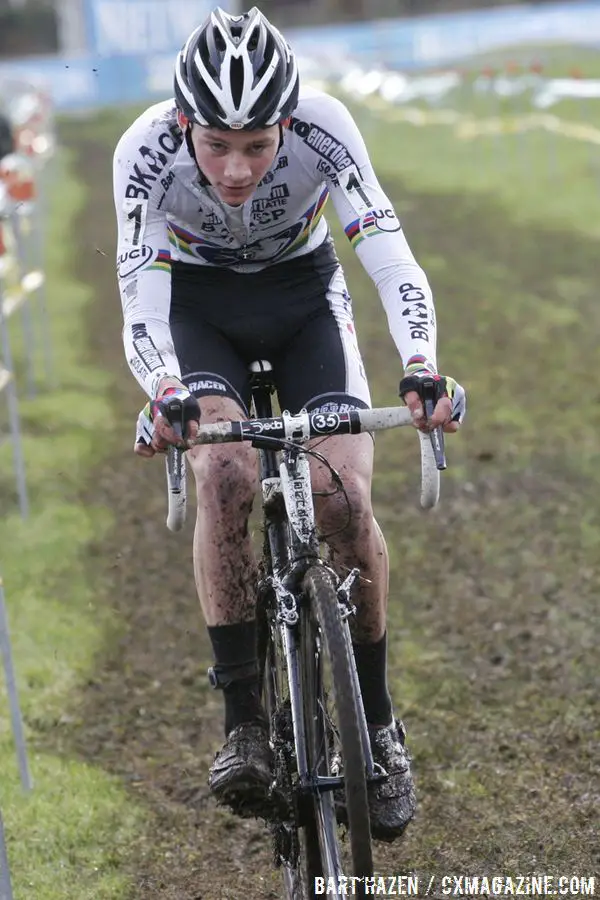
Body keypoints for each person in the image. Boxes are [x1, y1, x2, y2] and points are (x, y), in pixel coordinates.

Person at [113, 6, 465, 842]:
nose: (236, 170)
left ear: (289, 123)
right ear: (182, 122)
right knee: (226, 473)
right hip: (198, 313)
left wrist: (420, 364)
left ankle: (376, 728)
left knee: (340, 498)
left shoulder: (325, 128)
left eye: (259, 146)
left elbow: (385, 246)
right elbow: (140, 289)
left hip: (304, 297)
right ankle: (243, 722)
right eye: (217, 146)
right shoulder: (146, 150)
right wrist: (165, 388)